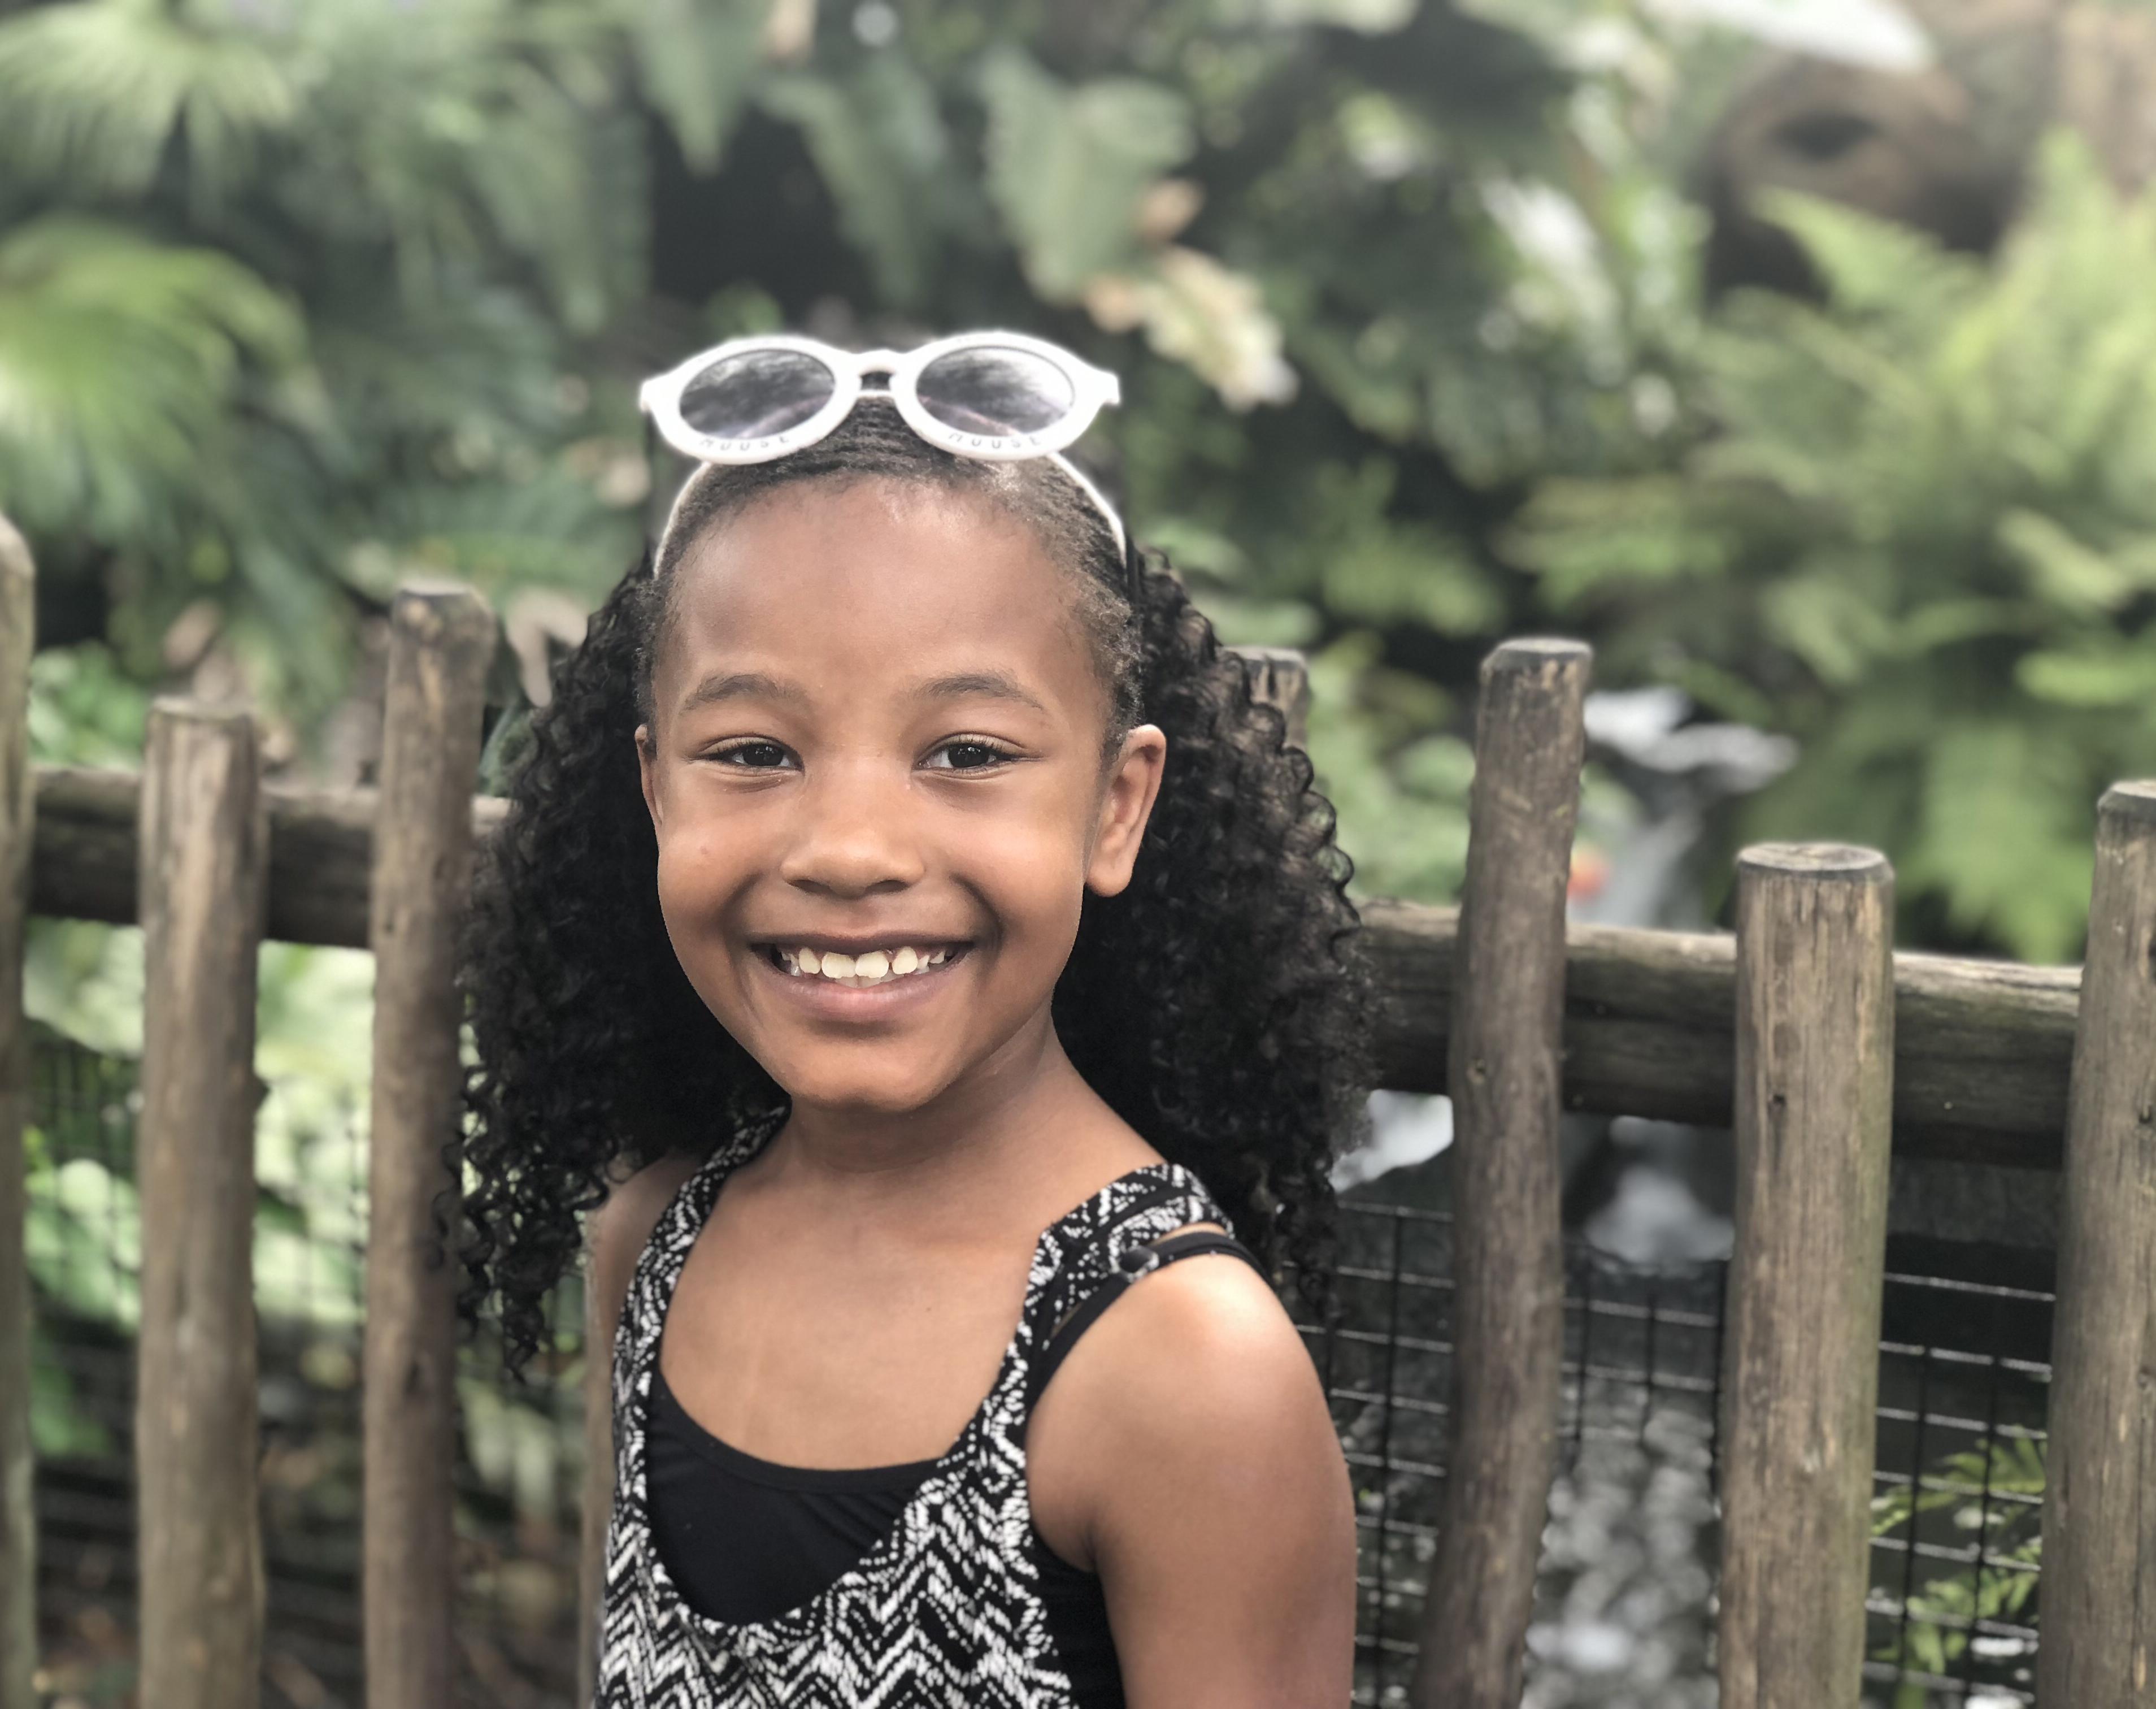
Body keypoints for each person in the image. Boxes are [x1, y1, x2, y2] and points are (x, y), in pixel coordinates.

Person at [456, 331, 1373, 1707]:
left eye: (967, 754)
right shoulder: (655, 1247)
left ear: (1115, 807)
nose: (851, 849)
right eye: (753, 752)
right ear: (656, 795)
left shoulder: (1182, 1368)